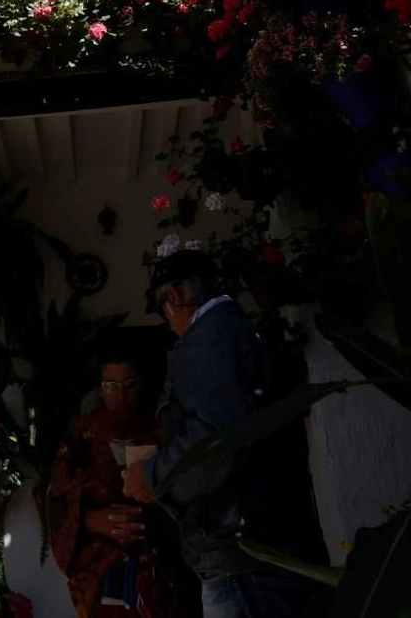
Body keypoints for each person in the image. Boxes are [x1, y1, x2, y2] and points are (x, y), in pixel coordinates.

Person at [121, 250, 327, 618]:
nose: (168, 323)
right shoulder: (240, 332)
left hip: (245, 556)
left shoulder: (211, 337)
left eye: (162, 307)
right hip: (265, 548)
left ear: (174, 297)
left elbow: (218, 440)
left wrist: (152, 475)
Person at [46, 350, 178, 617]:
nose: (121, 395)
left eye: (129, 385)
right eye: (111, 386)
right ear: (100, 390)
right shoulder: (82, 435)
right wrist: (89, 519)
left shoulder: (162, 431)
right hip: (100, 566)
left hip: (158, 562)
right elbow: (57, 496)